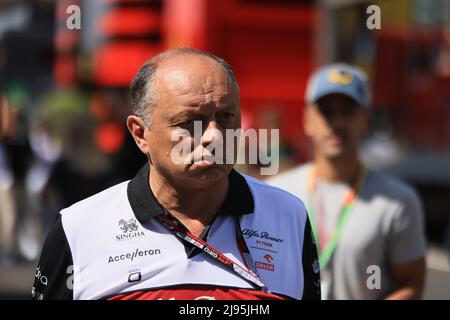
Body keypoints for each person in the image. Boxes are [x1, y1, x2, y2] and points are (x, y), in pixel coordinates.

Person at [31, 48, 320, 300]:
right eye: (190, 121)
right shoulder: (79, 229)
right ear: (140, 133)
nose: (214, 136)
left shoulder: (288, 216)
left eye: (226, 117)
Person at [268, 63, 426, 300]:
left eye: (347, 112)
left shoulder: (398, 200)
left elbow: (411, 283)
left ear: (366, 120)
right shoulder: (275, 193)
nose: (337, 123)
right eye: (327, 112)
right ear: (307, 120)